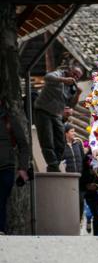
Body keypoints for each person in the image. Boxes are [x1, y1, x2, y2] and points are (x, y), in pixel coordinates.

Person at [34, 64, 83, 172]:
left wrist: (78, 94)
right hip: (43, 110)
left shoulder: (72, 87)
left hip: (56, 114)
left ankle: (55, 163)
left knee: (61, 141)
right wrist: (63, 80)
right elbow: (47, 77)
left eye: (77, 77)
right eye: (74, 74)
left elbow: (71, 105)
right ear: (69, 70)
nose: (74, 77)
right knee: (47, 139)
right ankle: (53, 166)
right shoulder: (59, 74)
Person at [0, 100, 31, 235]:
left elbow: (23, 145)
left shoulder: (9, 120)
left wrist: (23, 168)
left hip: (5, 167)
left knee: (0, 199)